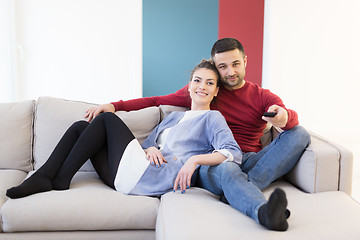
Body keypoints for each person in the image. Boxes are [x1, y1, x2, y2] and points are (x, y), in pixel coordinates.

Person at [85, 38, 311, 231]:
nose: (230, 72)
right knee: (228, 168)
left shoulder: (262, 96)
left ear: (245, 62)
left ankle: (237, 189)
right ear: (215, 67)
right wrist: (115, 106)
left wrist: (283, 117)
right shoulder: (205, 90)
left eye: (235, 64)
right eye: (222, 67)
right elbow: (155, 101)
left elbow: (285, 115)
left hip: (251, 159)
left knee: (299, 134)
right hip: (212, 161)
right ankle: (262, 211)